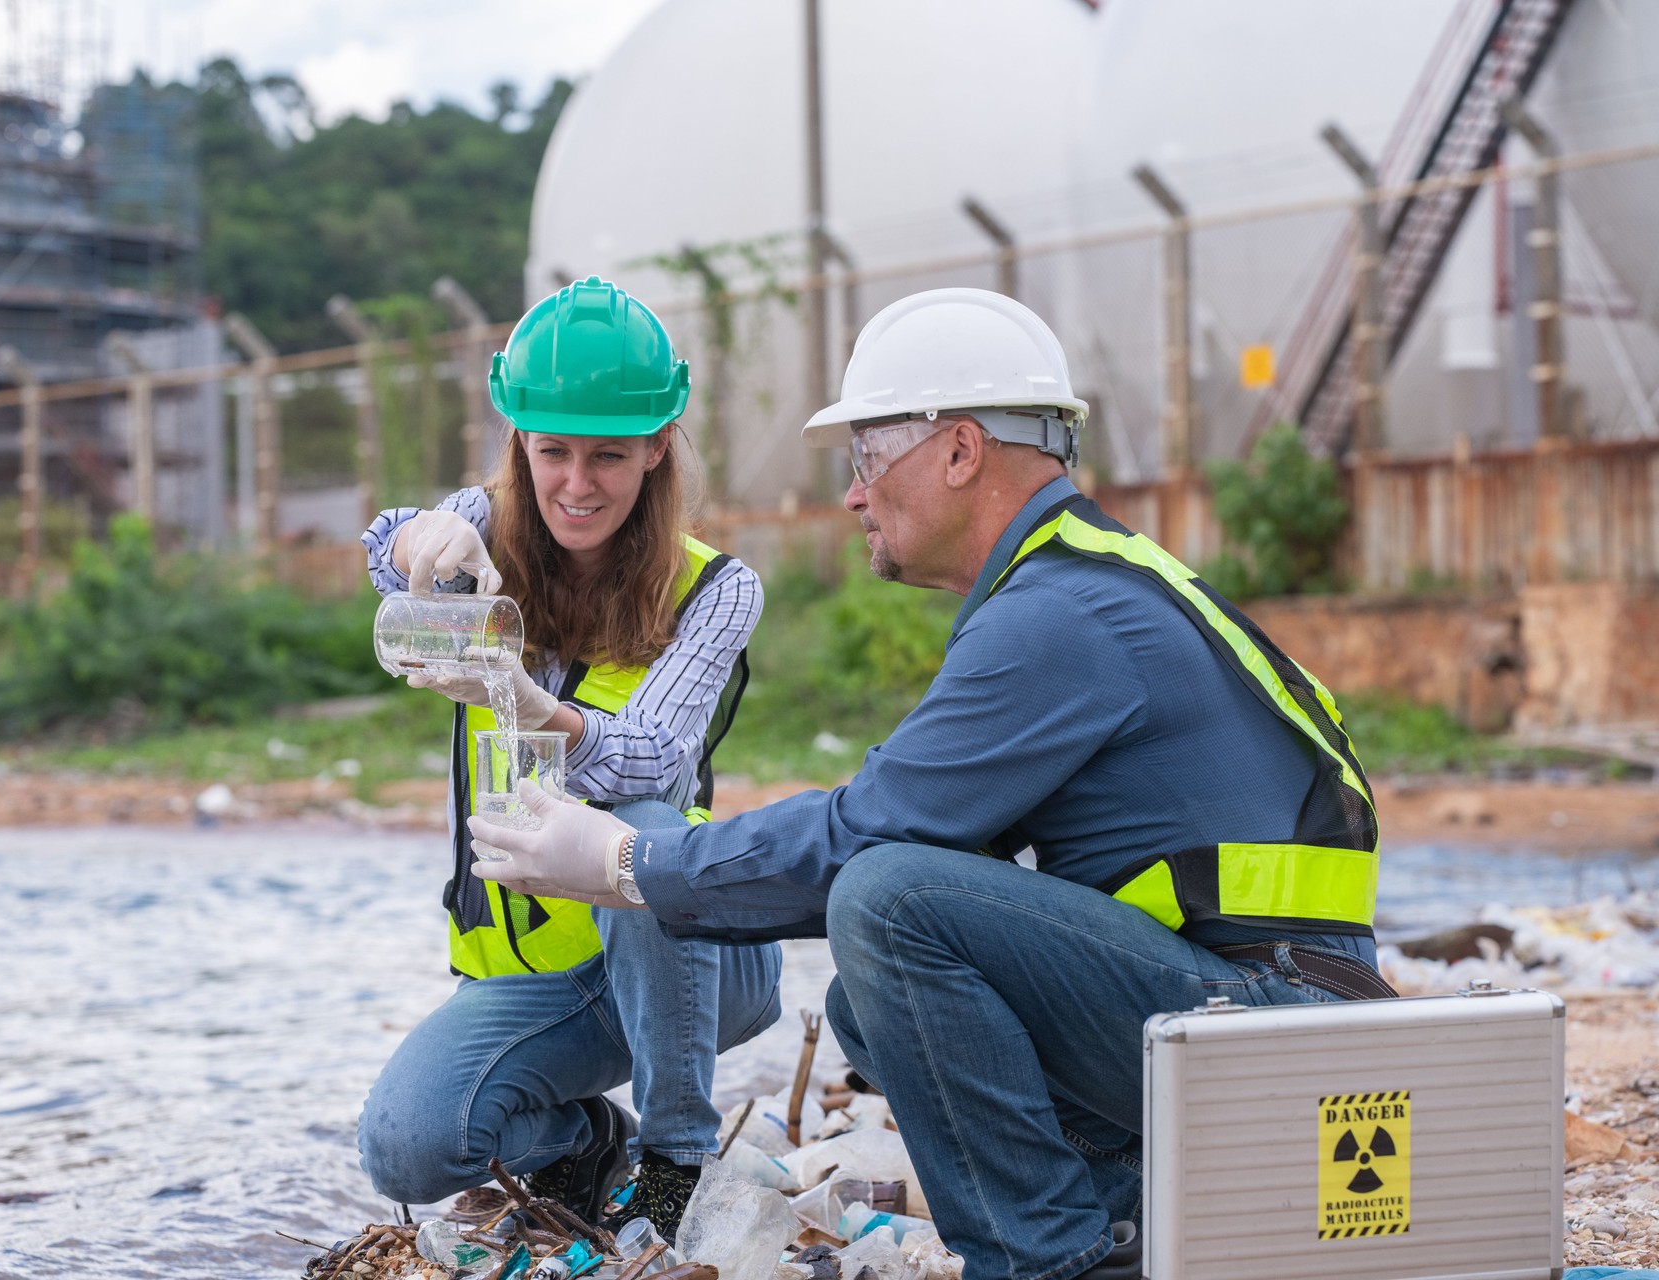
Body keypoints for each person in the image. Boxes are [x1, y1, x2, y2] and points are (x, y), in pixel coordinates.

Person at [465, 288, 1394, 1280]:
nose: (855, 495)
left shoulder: (1059, 616)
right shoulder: (1079, 581)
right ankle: (1129, 1219)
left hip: (1273, 1029)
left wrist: (622, 860)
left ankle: (1050, 1259)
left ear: (958, 451)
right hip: (1270, 1014)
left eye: (867, 459)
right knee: (878, 993)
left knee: (888, 901)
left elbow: (860, 841)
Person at [354, 276, 782, 1237]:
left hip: (695, 956)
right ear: (520, 444)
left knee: (645, 832)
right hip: (542, 979)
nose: (577, 485)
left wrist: (523, 701)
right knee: (405, 1146)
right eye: (552, 453)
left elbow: (651, 757)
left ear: (656, 448)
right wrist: (430, 533)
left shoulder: (716, 589)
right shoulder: (490, 526)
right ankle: (588, 1144)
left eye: (609, 457)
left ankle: (675, 1157)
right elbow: (389, 548)